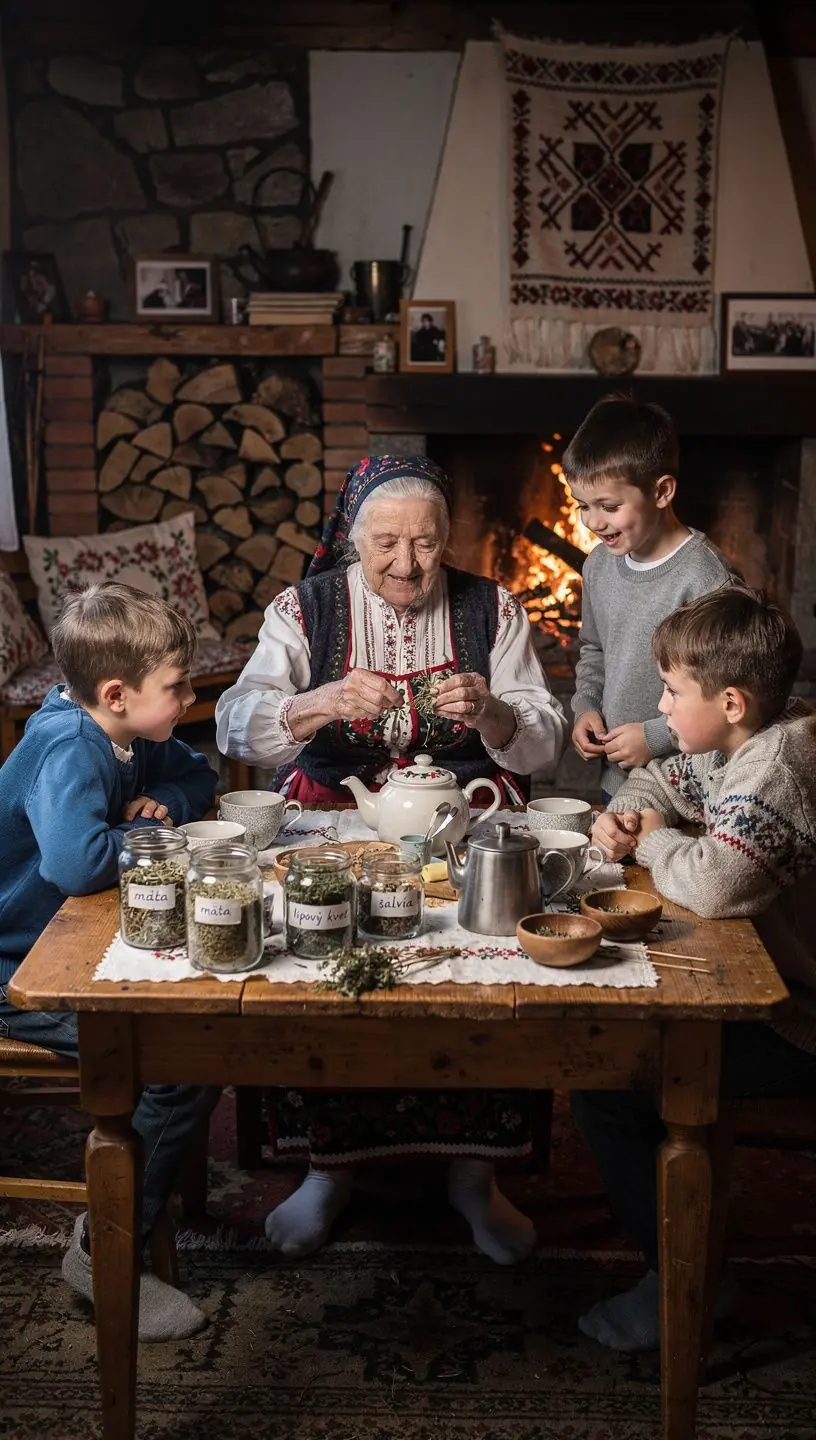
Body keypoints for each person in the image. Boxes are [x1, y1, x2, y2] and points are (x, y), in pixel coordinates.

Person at [216, 453, 568, 1262]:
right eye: (385, 544)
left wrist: (495, 712)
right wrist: (322, 702)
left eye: (426, 543)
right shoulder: (304, 609)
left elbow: (544, 741)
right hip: (336, 815)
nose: (407, 564)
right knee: (328, 972)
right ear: (352, 537)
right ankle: (327, 1170)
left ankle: (476, 1178)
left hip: (464, 821)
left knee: (490, 972)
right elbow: (237, 720)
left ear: (448, 537)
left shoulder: (493, 608)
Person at [573, 587, 816, 1353]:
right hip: (772, 983)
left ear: (732, 700)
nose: (662, 710)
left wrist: (646, 846)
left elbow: (713, 882)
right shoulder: (732, 744)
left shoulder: (778, 764)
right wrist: (636, 810)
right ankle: (679, 1247)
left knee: (608, 1075)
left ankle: (684, 1283)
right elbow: (665, 781)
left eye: (673, 693)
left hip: (800, 1016)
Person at [0, 583, 221, 1342]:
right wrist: (156, 841)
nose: (190, 698)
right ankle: (102, 1251)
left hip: (77, 939)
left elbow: (199, 775)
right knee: (179, 1058)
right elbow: (76, 862)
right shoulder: (68, 744)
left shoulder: (132, 728)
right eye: (179, 687)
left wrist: (161, 800)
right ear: (117, 693)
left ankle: (143, 1195)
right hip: (15, 967)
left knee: (205, 1020)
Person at [564, 394, 736, 802]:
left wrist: (656, 737)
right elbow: (594, 648)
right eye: (582, 505)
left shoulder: (706, 578)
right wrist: (585, 706)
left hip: (686, 786)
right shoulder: (598, 567)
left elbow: (726, 690)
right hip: (617, 781)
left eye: (608, 506)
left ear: (661, 492)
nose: (592, 521)